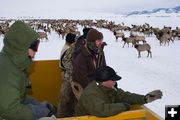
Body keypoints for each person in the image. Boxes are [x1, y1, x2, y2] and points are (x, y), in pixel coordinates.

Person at [0, 21, 53, 120]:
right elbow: (10, 111)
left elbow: (19, 98)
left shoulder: (15, 63)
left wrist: (37, 105)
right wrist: (39, 111)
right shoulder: (6, 71)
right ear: (21, 46)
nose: (36, 51)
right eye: (34, 47)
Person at [75, 66, 163, 117]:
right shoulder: (91, 94)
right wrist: (123, 106)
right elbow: (101, 110)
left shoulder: (109, 88)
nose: (115, 82)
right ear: (104, 81)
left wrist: (144, 98)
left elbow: (124, 96)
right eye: (113, 80)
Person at [57, 28, 91, 118]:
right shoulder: (75, 46)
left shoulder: (94, 48)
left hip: (84, 80)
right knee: (65, 100)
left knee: (79, 103)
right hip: (70, 78)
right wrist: (75, 70)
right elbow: (65, 61)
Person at [72, 28, 107, 98]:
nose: (101, 43)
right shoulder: (81, 57)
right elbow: (83, 79)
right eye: (98, 41)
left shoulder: (97, 52)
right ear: (91, 42)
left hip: (94, 83)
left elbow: (103, 68)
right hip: (83, 87)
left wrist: (108, 78)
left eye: (101, 40)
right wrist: (96, 90)